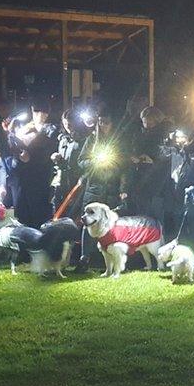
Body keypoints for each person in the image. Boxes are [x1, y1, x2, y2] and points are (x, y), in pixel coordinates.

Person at [76, 111, 128, 271]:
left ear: (112, 124)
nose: (103, 125)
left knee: (110, 222)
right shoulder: (92, 139)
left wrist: (123, 189)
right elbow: (81, 161)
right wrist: (94, 163)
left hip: (112, 188)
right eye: (100, 122)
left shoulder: (120, 141)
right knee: (88, 222)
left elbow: (125, 167)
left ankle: (111, 259)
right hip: (94, 188)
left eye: (106, 122)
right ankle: (84, 258)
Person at [6, 99, 58, 228]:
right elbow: (13, 145)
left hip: (39, 176)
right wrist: (12, 136)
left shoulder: (51, 129)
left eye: (42, 112)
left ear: (47, 114)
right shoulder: (25, 127)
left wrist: (31, 157)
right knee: (22, 209)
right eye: (36, 112)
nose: (39, 115)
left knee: (39, 210)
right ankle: (25, 236)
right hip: (22, 175)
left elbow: (48, 151)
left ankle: (39, 236)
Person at [51, 109, 83, 217]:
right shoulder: (62, 139)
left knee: (74, 213)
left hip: (76, 181)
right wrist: (56, 158)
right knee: (58, 209)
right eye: (65, 123)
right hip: (61, 181)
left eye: (70, 123)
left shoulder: (83, 140)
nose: (67, 126)